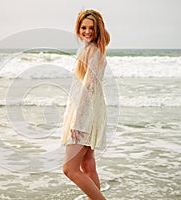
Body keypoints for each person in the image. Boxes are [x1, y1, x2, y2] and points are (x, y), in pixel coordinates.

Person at [61, 9, 110, 200]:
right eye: (83, 27)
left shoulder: (93, 52)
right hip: (91, 111)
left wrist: (77, 122)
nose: (87, 31)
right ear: (78, 29)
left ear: (98, 30)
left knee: (69, 168)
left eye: (91, 28)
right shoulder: (90, 50)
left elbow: (88, 89)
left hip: (85, 114)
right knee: (87, 165)